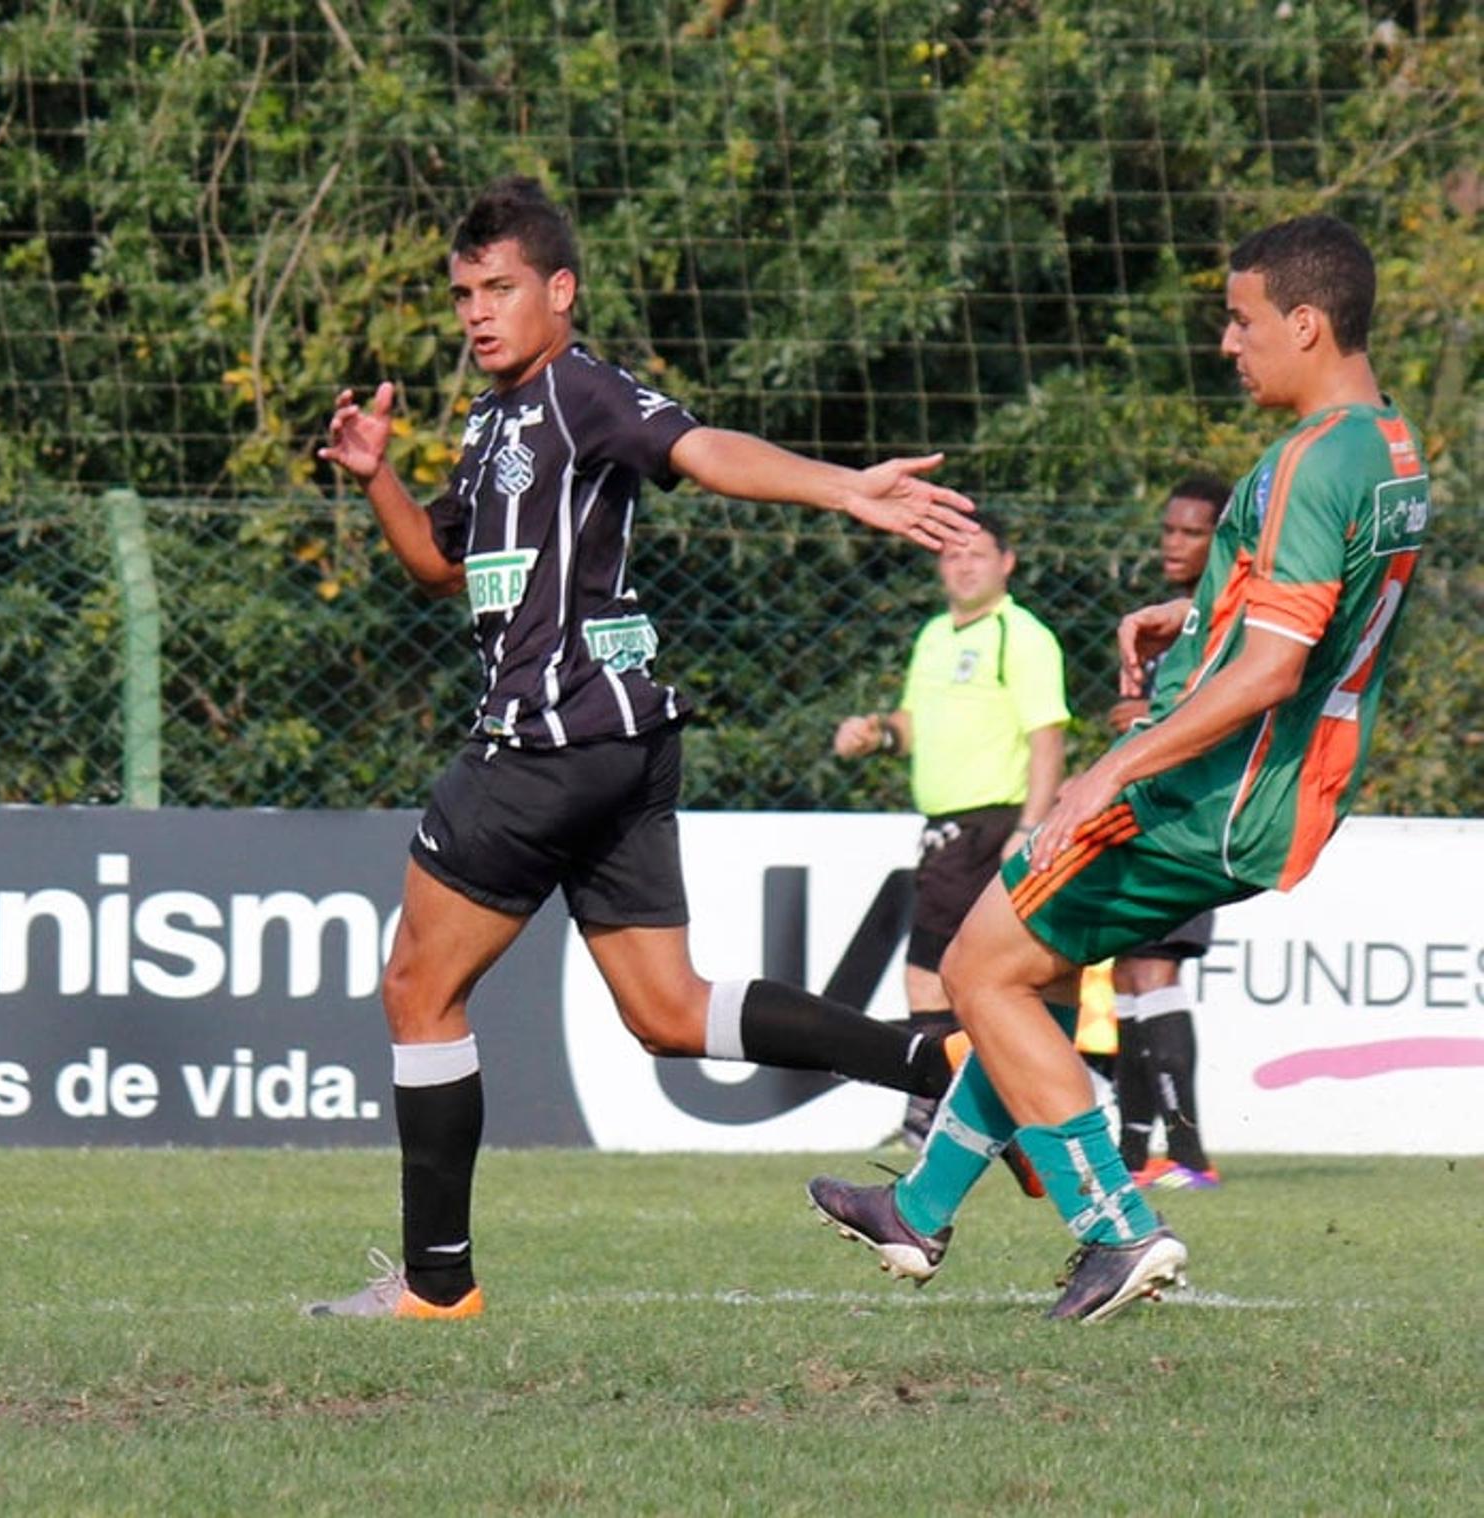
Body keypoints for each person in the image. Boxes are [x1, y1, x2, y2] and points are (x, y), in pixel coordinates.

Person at [306, 177, 981, 1319]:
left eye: (502, 289)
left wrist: (841, 489)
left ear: (559, 292)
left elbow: (701, 447)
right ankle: (932, 1067)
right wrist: (378, 477)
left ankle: (437, 1286)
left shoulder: (581, 391)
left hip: (544, 740)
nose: (478, 313)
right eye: (465, 294)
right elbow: (441, 564)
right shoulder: (491, 421)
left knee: (418, 989)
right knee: (668, 1011)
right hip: (620, 742)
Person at [809, 213, 1433, 1322]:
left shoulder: (1304, 461)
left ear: (1306, 320)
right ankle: (920, 1208)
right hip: (1280, 790)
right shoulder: (1387, 447)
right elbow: (1317, 617)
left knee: (976, 970)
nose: (1228, 345)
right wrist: (1199, 614)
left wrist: (1109, 771)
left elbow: (1269, 673)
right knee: (1025, 976)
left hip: (1205, 791)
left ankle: (1118, 1229)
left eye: (1242, 323)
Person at [831, 510, 1068, 1162]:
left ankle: (931, 1120)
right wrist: (877, 731)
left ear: (1007, 562)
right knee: (959, 982)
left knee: (933, 980)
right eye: (952, 555)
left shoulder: (1019, 636)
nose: (963, 566)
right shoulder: (935, 635)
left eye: (977, 555)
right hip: (944, 828)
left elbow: (1048, 736)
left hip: (989, 822)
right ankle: (977, 1119)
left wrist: (1028, 825)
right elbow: (913, 722)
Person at [1105, 475, 1231, 1191]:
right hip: (1140, 816)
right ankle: (1133, 1154)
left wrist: (1148, 721)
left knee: (1156, 972)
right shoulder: (1159, 625)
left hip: (1189, 822)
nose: (1173, 544)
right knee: (1128, 976)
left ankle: (1189, 1154)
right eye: (1168, 531)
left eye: (1191, 532)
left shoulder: (1226, 621)